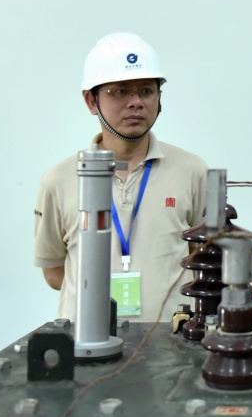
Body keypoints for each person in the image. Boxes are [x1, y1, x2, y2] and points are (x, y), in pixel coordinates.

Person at [33, 32, 207, 323]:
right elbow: (54, 272)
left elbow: (202, 258)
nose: (136, 102)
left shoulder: (192, 170)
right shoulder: (59, 180)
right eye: (120, 91)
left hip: (173, 341)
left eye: (146, 91)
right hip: (87, 338)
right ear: (91, 101)